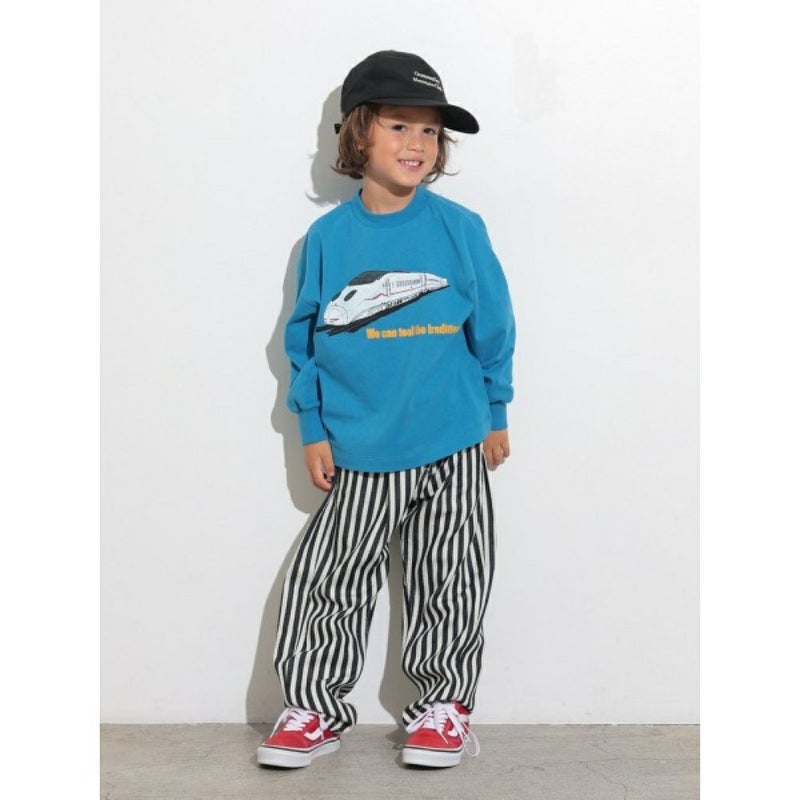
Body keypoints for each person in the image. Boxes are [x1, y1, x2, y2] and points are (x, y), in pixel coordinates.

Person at [257, 49, 515, 770]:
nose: (417, 144)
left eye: (430, 131)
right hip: (361, 445)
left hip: (455, 437)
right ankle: (313, 705)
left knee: (452, 576)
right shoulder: (328, 239)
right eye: (400, 125)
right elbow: (304, 341)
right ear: (359, 132)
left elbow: (493, 326)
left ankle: (444, 706)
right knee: (331, 578)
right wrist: (313, 426)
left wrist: (496, 411)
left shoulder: (461, 228)